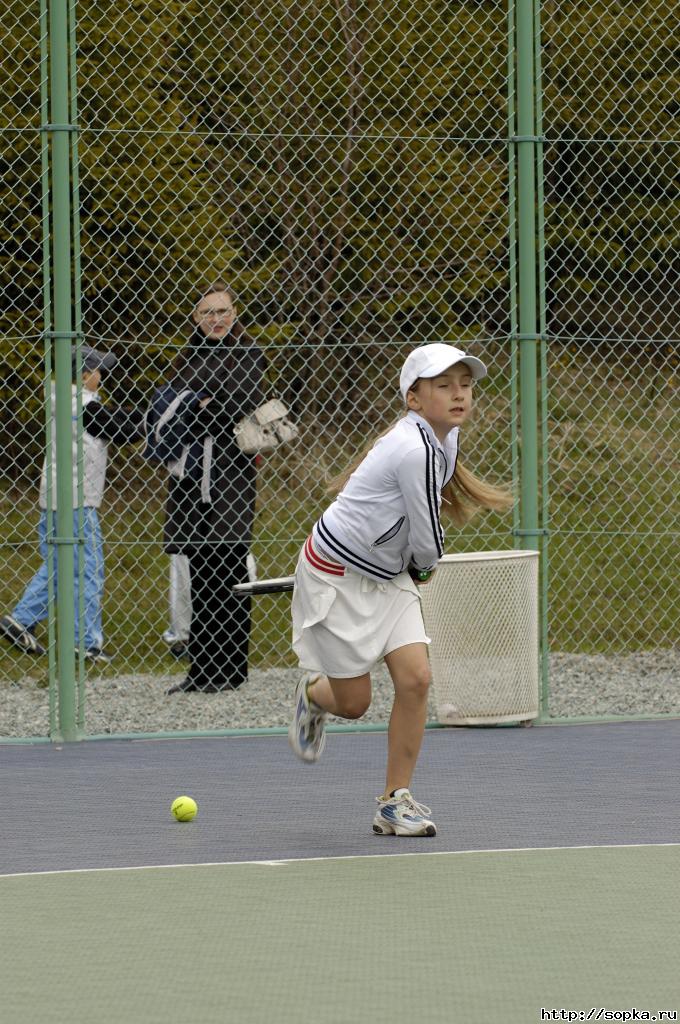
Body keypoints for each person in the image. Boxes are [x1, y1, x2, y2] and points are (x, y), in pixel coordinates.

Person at [288, 343, 513, 836]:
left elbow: (423, 519)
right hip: (336, 576)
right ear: (413, 399)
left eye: (466, 385)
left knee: (416, 679)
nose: (459, 394)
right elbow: (428, 539)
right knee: (354, 704)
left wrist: (412, 565)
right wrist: (425, 568)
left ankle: (394, 802)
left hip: (389, 574)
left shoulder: (443, 440)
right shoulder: (413, 448)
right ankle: (315, 694)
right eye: (444, 385)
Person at [146, 283, 266, 693]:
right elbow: (167, 405)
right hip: (190, 482)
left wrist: (196, 406)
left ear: (235, 313)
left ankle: (231, 671)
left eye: (223, 311)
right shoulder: (187, 359)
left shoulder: (248, 354)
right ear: (196, 318)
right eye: (207, 313)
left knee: (228, 570)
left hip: (231, 480)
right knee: (200, 572)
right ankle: (201, 671)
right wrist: (198, 405)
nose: (216, 319)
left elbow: (238, 406)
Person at [0, 346, 143, 662]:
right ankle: (85, 641)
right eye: (97, 371)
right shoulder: (85, 406)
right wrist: (153, 418)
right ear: (83, 374)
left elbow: (115, 417)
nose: (101, 377)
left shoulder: (59, 399)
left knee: (59, 565)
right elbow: (124, 429)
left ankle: (20, 620)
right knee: (88, 570)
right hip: (79, 501)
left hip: (51, 499)